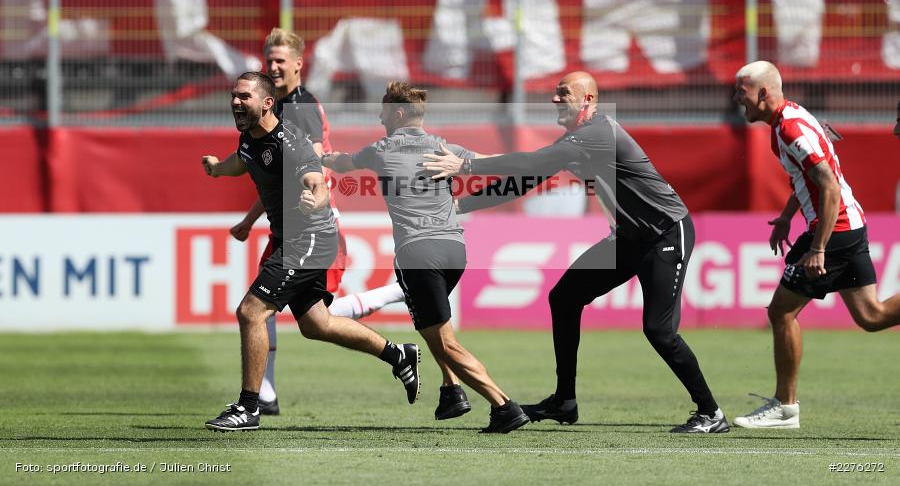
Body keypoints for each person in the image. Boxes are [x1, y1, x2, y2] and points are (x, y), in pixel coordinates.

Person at [424, 71, 729, 434]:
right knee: (565, 298)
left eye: (563, 94)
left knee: (659, 331)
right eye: (554, 93)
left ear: (588, 100)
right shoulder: (577, 140)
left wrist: (467, 165)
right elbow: (523, 181)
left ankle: (711, 412)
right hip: (630, 239)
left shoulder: (598, 133)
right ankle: (564, 402)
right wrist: (459, 207)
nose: (555, 100)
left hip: (665, 234)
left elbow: (530, 163)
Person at [201, 72, 420, 431]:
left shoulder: (291, 142)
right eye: (234, 96)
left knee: (251, 311)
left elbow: (316, 180)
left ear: (267, 103)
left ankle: (249, 408)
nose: (236, 102)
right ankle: (397, 354)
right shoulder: (249, 138)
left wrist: (313, 197)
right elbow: (243, 161)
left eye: (244, 96)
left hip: (310, 239)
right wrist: (218, 170)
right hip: (294, 240)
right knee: (317, 325)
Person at [322, 81, 530, 433]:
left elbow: (343, 164)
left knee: (445, 342)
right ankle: (451, 390)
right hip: (455, 250)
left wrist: (320, 157)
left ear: (399, 114)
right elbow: (501, 166)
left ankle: (503, 406)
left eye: (385, 111)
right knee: (433, 325)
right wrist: (464, 171)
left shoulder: (382, 148)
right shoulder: (443, 147)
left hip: (418, 252)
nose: (379, 117)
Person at [730, 61, 900, 429]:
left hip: (834, 229)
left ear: (763, 93)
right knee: (872, 316)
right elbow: (809, 177)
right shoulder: (787, 120)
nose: (735, 98)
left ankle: (785, 406)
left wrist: (818, 246)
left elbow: (829, 186)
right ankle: (785, 405)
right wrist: (789, 215)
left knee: (781, 312)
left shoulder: (789, 128)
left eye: (741, 91)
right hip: (844, 223)